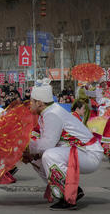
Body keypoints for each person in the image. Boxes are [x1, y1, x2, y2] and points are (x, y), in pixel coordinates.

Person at [23, 79, 104, 210]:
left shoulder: (52, 114)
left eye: (32, 101)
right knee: (37, 159)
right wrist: (30, 152)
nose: (29, 103)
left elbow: (47, 144)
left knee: (48, 155)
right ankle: (70, 191)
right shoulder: (46, 113)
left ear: (40, 103)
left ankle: (70, 194)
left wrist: (26, 146)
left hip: (89, 154)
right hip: (79, 151)